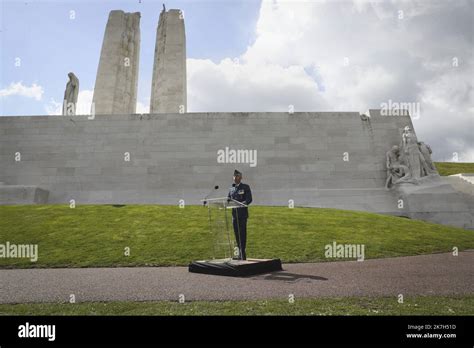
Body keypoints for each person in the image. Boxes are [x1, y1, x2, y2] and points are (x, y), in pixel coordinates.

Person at [228, 169, 252, 260]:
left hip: (242, 215)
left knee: (242, 233)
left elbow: (249, 199)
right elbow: (228, 200)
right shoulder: (231, 189)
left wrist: (241, 204)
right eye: (234, 176)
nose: (235, 177)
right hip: (234, 215)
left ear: (241, 177)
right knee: (236, 234)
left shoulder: (245, 187)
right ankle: (239, 254)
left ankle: (243, 252)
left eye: (237, 176)